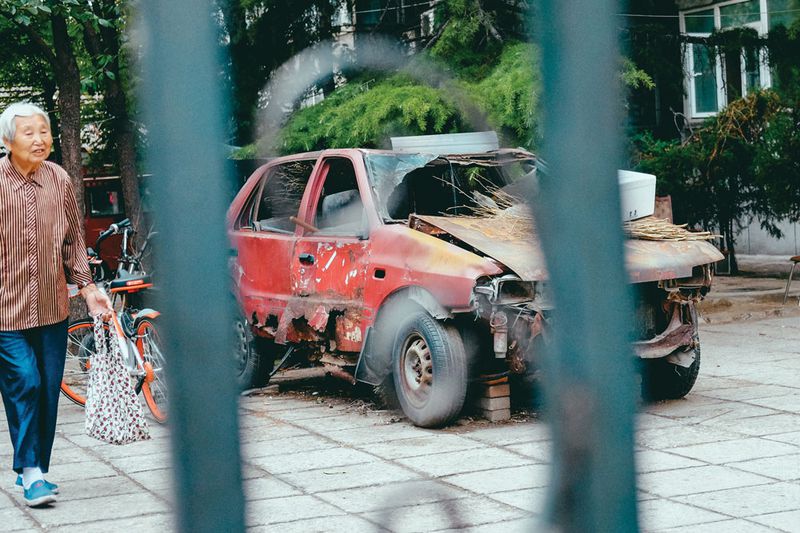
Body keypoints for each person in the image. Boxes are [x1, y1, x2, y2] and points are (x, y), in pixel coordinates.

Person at [0, 102, 113, 507]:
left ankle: (35, 469)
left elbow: (72, 242)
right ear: (7, 140)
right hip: (4, 312)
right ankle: (30, 474)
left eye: (43, 131)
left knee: (47, 388)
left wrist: (87, 287)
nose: (39, 139)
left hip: (51, 308)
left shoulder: (60, 179)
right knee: (24, 382)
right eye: (28, 132)